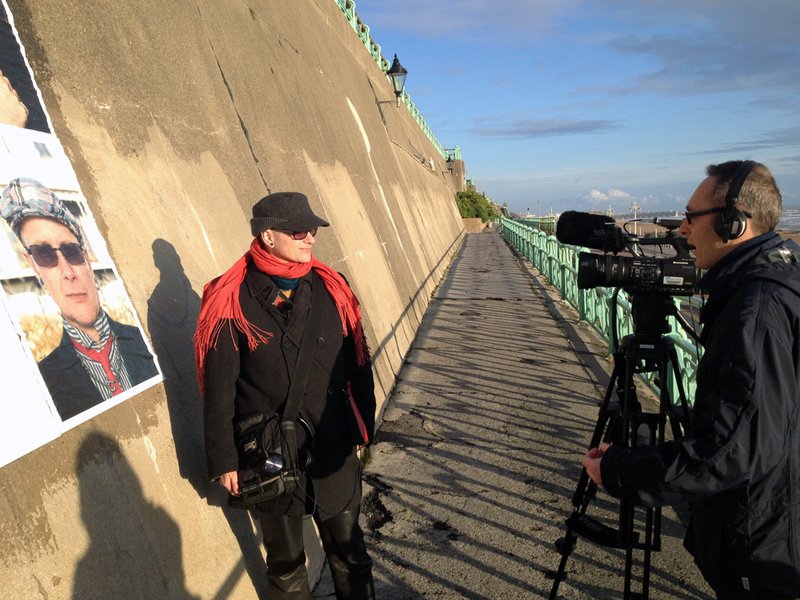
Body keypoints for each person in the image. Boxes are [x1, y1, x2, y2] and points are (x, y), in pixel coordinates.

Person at [582, 160, 800, 599]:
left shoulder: (755, 311)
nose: (682, 229)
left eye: (690, 216)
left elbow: (731, 449)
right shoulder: (781, 277)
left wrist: (621, 470)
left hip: (762, 537)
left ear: (732, 222)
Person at [196, 191, 376, 600]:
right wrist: (225, 459)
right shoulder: (230, 298)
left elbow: (357, 362)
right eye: (298, 230)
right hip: (269, 451)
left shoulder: (332, 287)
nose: (309, 236)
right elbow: (220, 388)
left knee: (351, 557)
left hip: (332, 441)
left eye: (312, 229)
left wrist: (362, 424)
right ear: (267, 235)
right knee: (286, 566)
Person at [1, 177, 158, 420]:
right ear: (34, 267)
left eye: (71, 251)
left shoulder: (148, 338)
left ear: (87, 259)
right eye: (44, 254)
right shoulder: (44, 386)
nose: (68, 272)